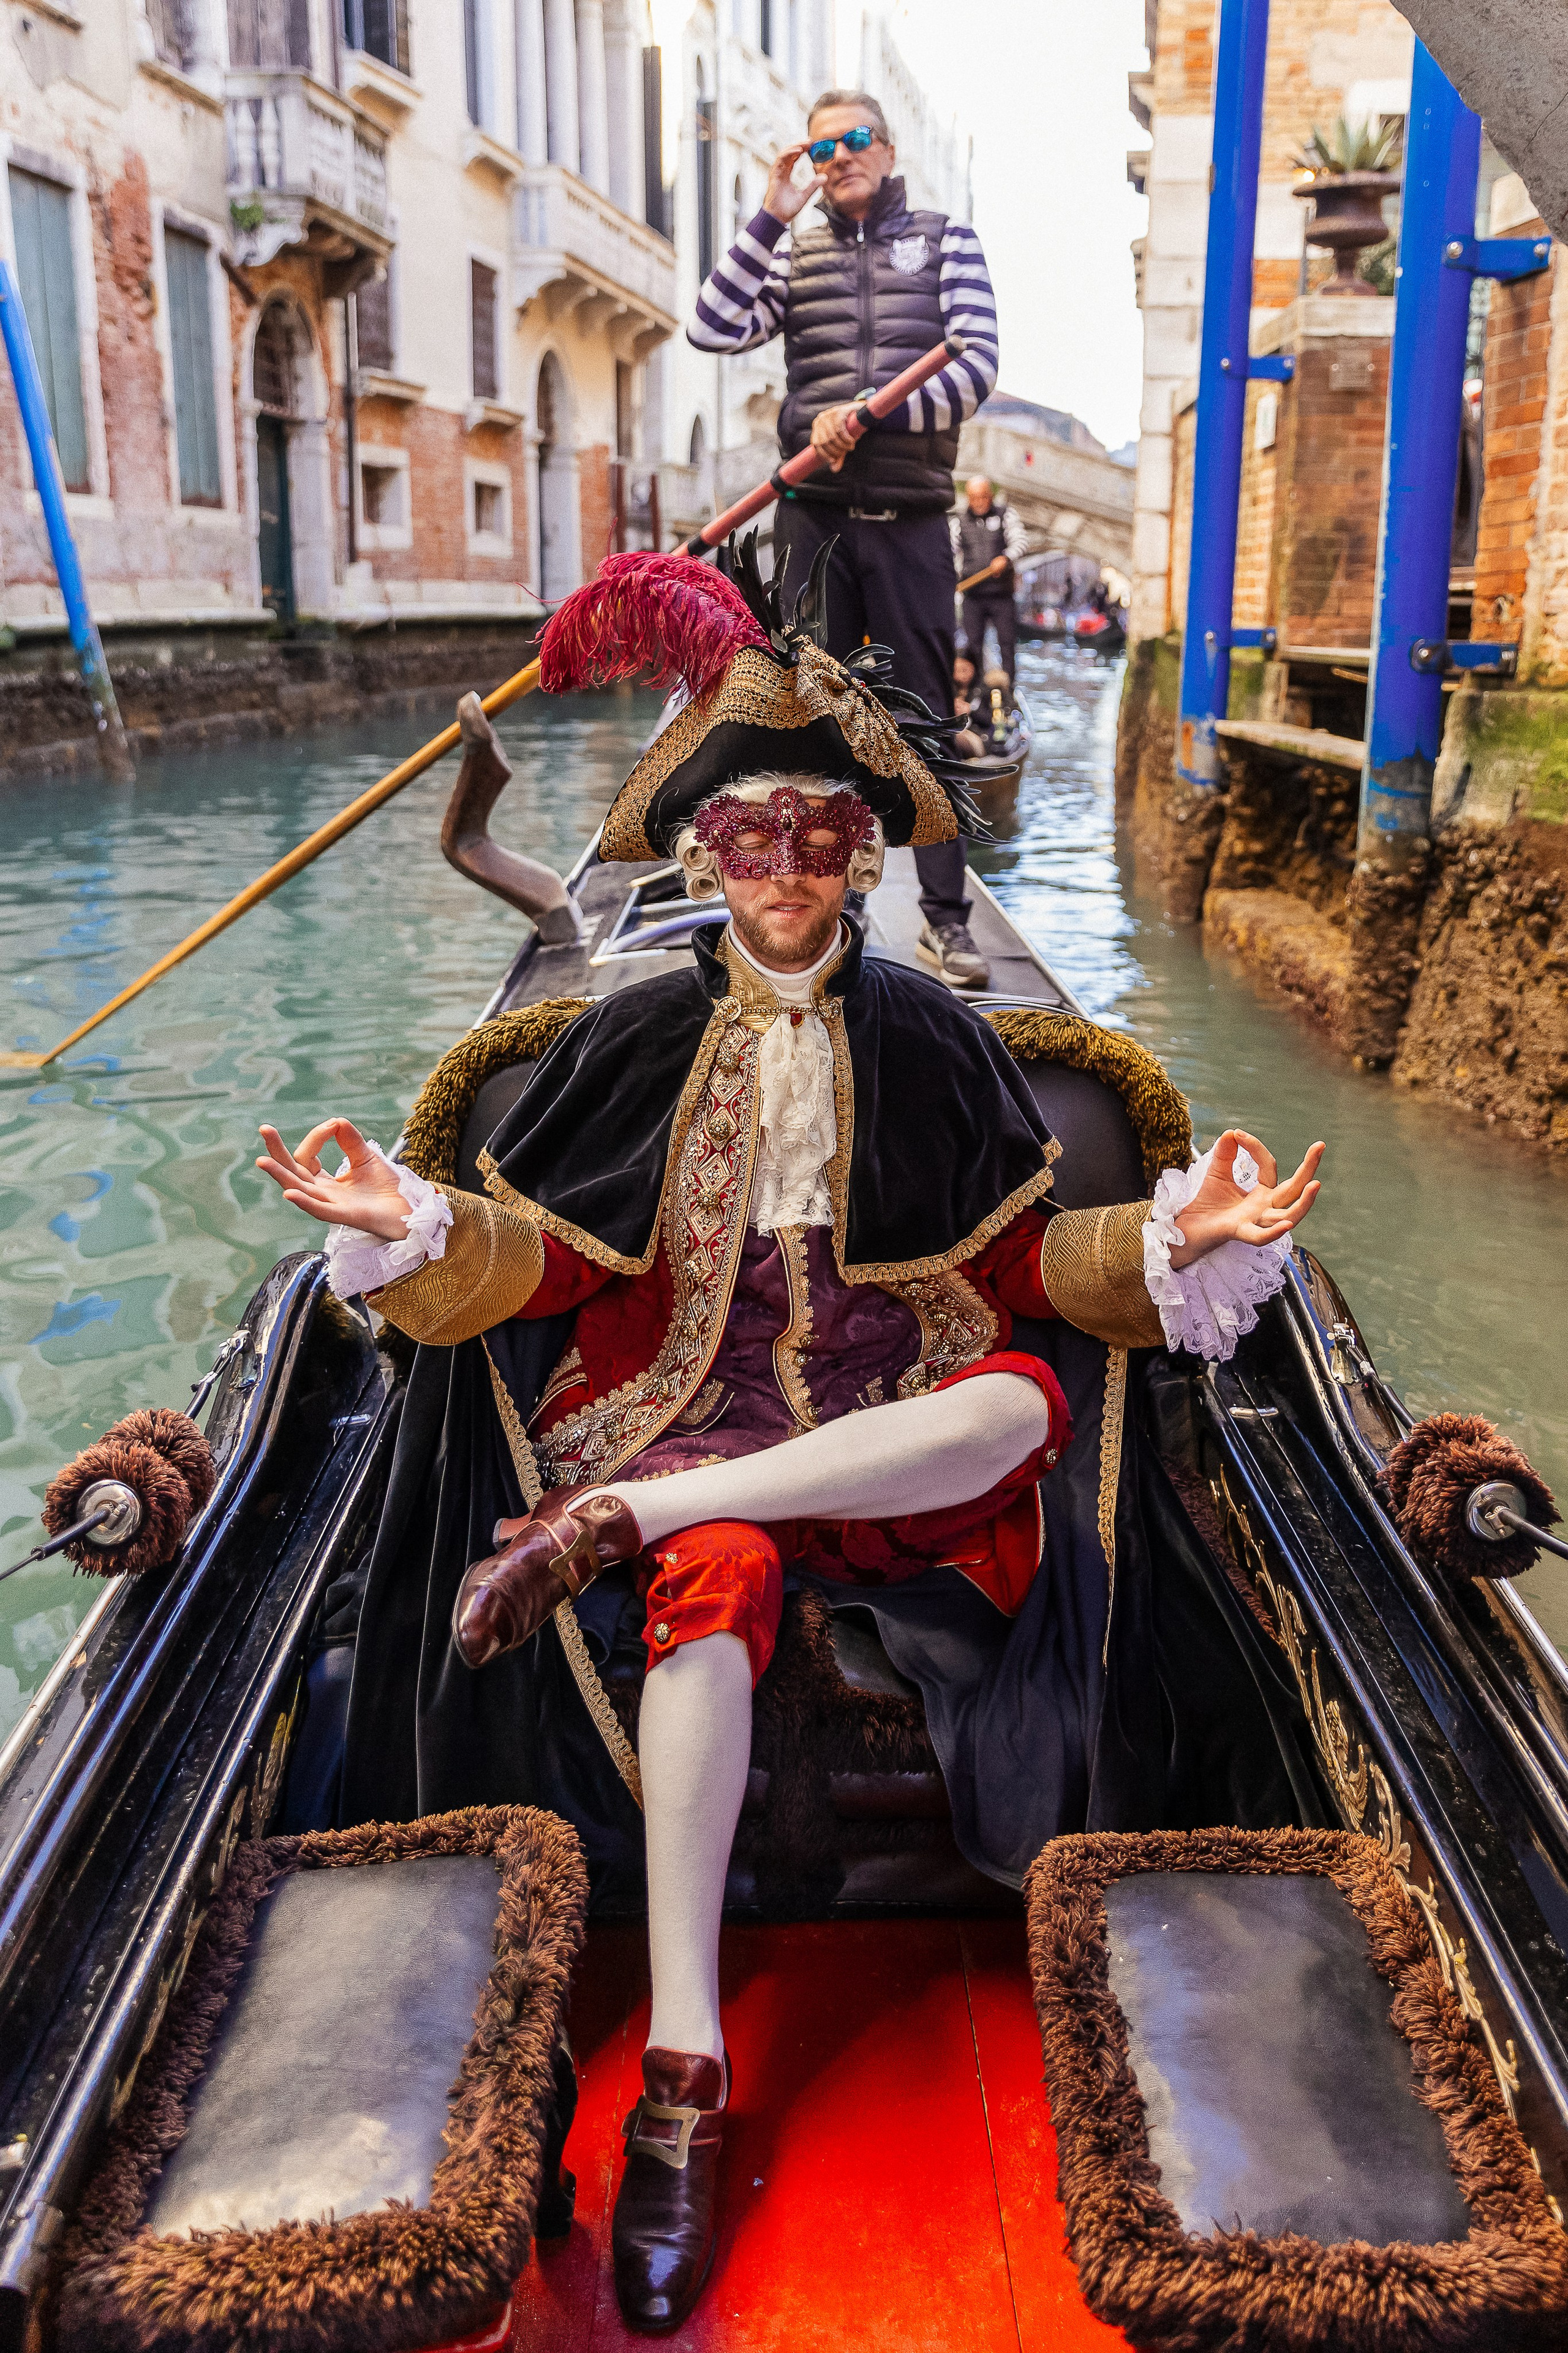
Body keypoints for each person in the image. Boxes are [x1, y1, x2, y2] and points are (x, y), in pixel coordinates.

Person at [258, 552, 1324, 2335]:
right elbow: (547, 1261)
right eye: (748, 835)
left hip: (890, 1432)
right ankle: (684, 2062)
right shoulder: (627, 1033)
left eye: (820, 835)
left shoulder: (924, 1030)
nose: (784, 867)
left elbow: (1013, 1269)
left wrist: (1168, 1243)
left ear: (862, 851)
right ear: (700, 853)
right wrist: (421, 1220)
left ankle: (620, 1512)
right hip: (693, 1417)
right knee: (722, 1565)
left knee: (1017, 1398)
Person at [688, 88, 1000, 991]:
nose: (838, 157)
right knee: (816, 721)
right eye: (820, 149)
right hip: (812, 522)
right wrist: (769, 215)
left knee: (921, 720)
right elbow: (710, 327)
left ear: (889, 149)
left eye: (855, 140)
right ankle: (838, 910)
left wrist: (866, 421)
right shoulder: (795, 254)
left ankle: (946, 920)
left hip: (909, 519)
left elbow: (975, 365)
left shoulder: (947, 241)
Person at [952, 473, 1028, 692]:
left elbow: (1021, 541)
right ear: (968, 497)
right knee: (973, 645)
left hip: (1001, 595)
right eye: (974, 497)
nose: (979, 502)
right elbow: (948, 552)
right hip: (972, 595)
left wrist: (1006, 558)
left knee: (1007, 644)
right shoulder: (958, 520)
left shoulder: (1006, 515)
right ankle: (977, 693)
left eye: (984, 497)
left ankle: (1008, 693)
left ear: (991, 495)